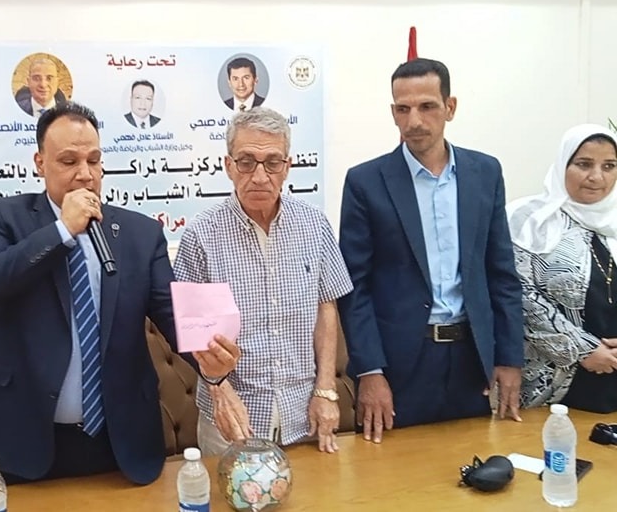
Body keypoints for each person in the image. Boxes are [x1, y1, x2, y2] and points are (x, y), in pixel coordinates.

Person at [0, 102, 240, 485]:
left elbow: (171, 317)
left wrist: (211, 361)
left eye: (94, 160)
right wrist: (61, 231)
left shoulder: (139, 234)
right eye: (69, 161)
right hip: (25, 433)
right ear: (40, 163)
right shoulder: (7, 217)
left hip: (119, 439)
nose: (85, 174)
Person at [337, 58, 523, 444]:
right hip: (399, 364)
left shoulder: (485, 173)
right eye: (403, 109)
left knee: (472, 462)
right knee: (393, 471)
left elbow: (501, 274)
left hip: (471, 358)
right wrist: (370, 371)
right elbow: (355, 288)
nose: (414, 121)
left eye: (427, 107)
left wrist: (509, 357)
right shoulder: (365, 182)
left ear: (450, 107)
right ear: (393, 112)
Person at [173, 107, 352, 455]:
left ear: (287, 167)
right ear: (228, 166)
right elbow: (194, 338)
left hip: (305, 415)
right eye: (246, 162)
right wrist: (220, 391)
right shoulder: (201, 235)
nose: (259, 176)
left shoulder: (314, 225)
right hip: (232, 418)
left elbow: (326, 308)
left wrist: (326, 390)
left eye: (272, 163)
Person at [507, 124, 617, 413]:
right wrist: (584, 349)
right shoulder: (528, 218)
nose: (597, 176)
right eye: (584, 164)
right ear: (562, 165)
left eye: (609, 166)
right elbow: (518, 294)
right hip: (550, 383)